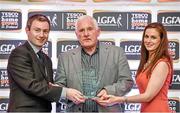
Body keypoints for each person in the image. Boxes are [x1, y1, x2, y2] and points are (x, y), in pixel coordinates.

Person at [54, 15, 133, 112]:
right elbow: (58, 88)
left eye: (90, 29)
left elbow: (127, 82)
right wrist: (67, 93)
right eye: (81, 30)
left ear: (98, 32)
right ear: (76, 34)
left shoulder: (117, 53)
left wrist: (108, 91)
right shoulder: (65, 57)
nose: (86, 34)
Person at [96, 22, 173, 112]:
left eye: (153, 37)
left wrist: (119, 99)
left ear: (161, 40)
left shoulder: (162, 64)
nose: (148, 41)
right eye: (146, 36)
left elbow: (148, 96)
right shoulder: (147, 62)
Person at [7, 14, 66, 112]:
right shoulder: (19, 53)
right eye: (37, 30)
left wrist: (57, 90)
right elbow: (31, 85)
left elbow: (48, 87)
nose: (42, 35)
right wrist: (65, 92)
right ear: (27, 31)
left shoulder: (46, 59)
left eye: (45, 31)